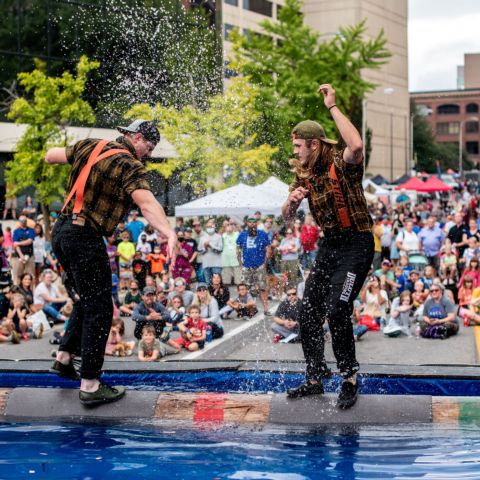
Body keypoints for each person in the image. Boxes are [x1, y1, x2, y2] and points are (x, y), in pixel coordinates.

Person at [45, 118, 177, 407]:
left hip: (62, 232)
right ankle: (91, 384)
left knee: (85, 299)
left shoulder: (89, 145)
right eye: (150, 147)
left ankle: (65, 357)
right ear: (137, 137)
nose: (149, 154)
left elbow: (50, 156)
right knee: (102, 307)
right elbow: (146, 203)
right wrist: (168, 233)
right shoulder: (128, 164)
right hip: (83, 237)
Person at [282, 84, 374, 409]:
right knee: (308, 310)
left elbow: (358, 145)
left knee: (337, 309)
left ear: (314, 144)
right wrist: (291, 203)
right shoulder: (303, 172)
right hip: (330, 246)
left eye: (298, 146)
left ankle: (349, 377)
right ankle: (315, 376)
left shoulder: (341, 161)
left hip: (357, 244)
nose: (295, 152)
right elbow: (285, 214)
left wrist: (332, 107)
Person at [236, 217, 271, 315]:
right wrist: (239, 261)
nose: (252, 224)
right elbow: (238, 247)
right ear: (247, 223)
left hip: (259, 266)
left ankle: (266, 309)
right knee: (244, 288)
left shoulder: (262, 234)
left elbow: (268, 248)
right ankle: (245, 309)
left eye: (254, 222)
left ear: (257, 223)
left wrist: (265, 262)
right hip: (247, 266)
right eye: (250, 222)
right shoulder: (243, 234)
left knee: (263, 287)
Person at [198, 219, 223, 286]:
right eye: (208, 227)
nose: (209, 228)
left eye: (211, 227)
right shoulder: (202, 238)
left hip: (216, 264)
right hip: (206, 264)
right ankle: (210, 295)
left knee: (218, 283)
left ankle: (218, 295)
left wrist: (211, 246)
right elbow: (200, 251)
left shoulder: (219, 237)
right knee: (208, 283)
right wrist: (205, 248)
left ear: (214, 227)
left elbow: (220, 250)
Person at [12, 216, 35, 285]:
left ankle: (31, 293)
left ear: (26, 221)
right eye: (21, 221)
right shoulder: (16, 231)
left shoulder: (31, 230)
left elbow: (30, 241)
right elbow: (16, 246)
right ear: (19, 222)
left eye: (24, 220)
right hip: (18, 256)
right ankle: (18, 291)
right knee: (18, 275)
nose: (23, 222)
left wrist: (19, 242)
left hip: (29, 255)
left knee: (30, 276)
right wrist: (21, 255)